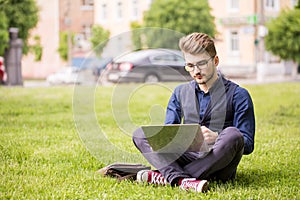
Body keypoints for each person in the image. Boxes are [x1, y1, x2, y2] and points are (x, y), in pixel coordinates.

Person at [132, 32, 255, 192]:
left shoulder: (239, 95)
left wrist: (217, 137)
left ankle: (166, 177)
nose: (196, 71)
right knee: (140, 134)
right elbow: (168, 135)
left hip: (219, 162)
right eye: (190, 66)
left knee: (232, 134)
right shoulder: (180, 92)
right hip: (186, 156)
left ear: (215, 61)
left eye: (202, 64)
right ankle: (184, 181)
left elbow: (247, 143)